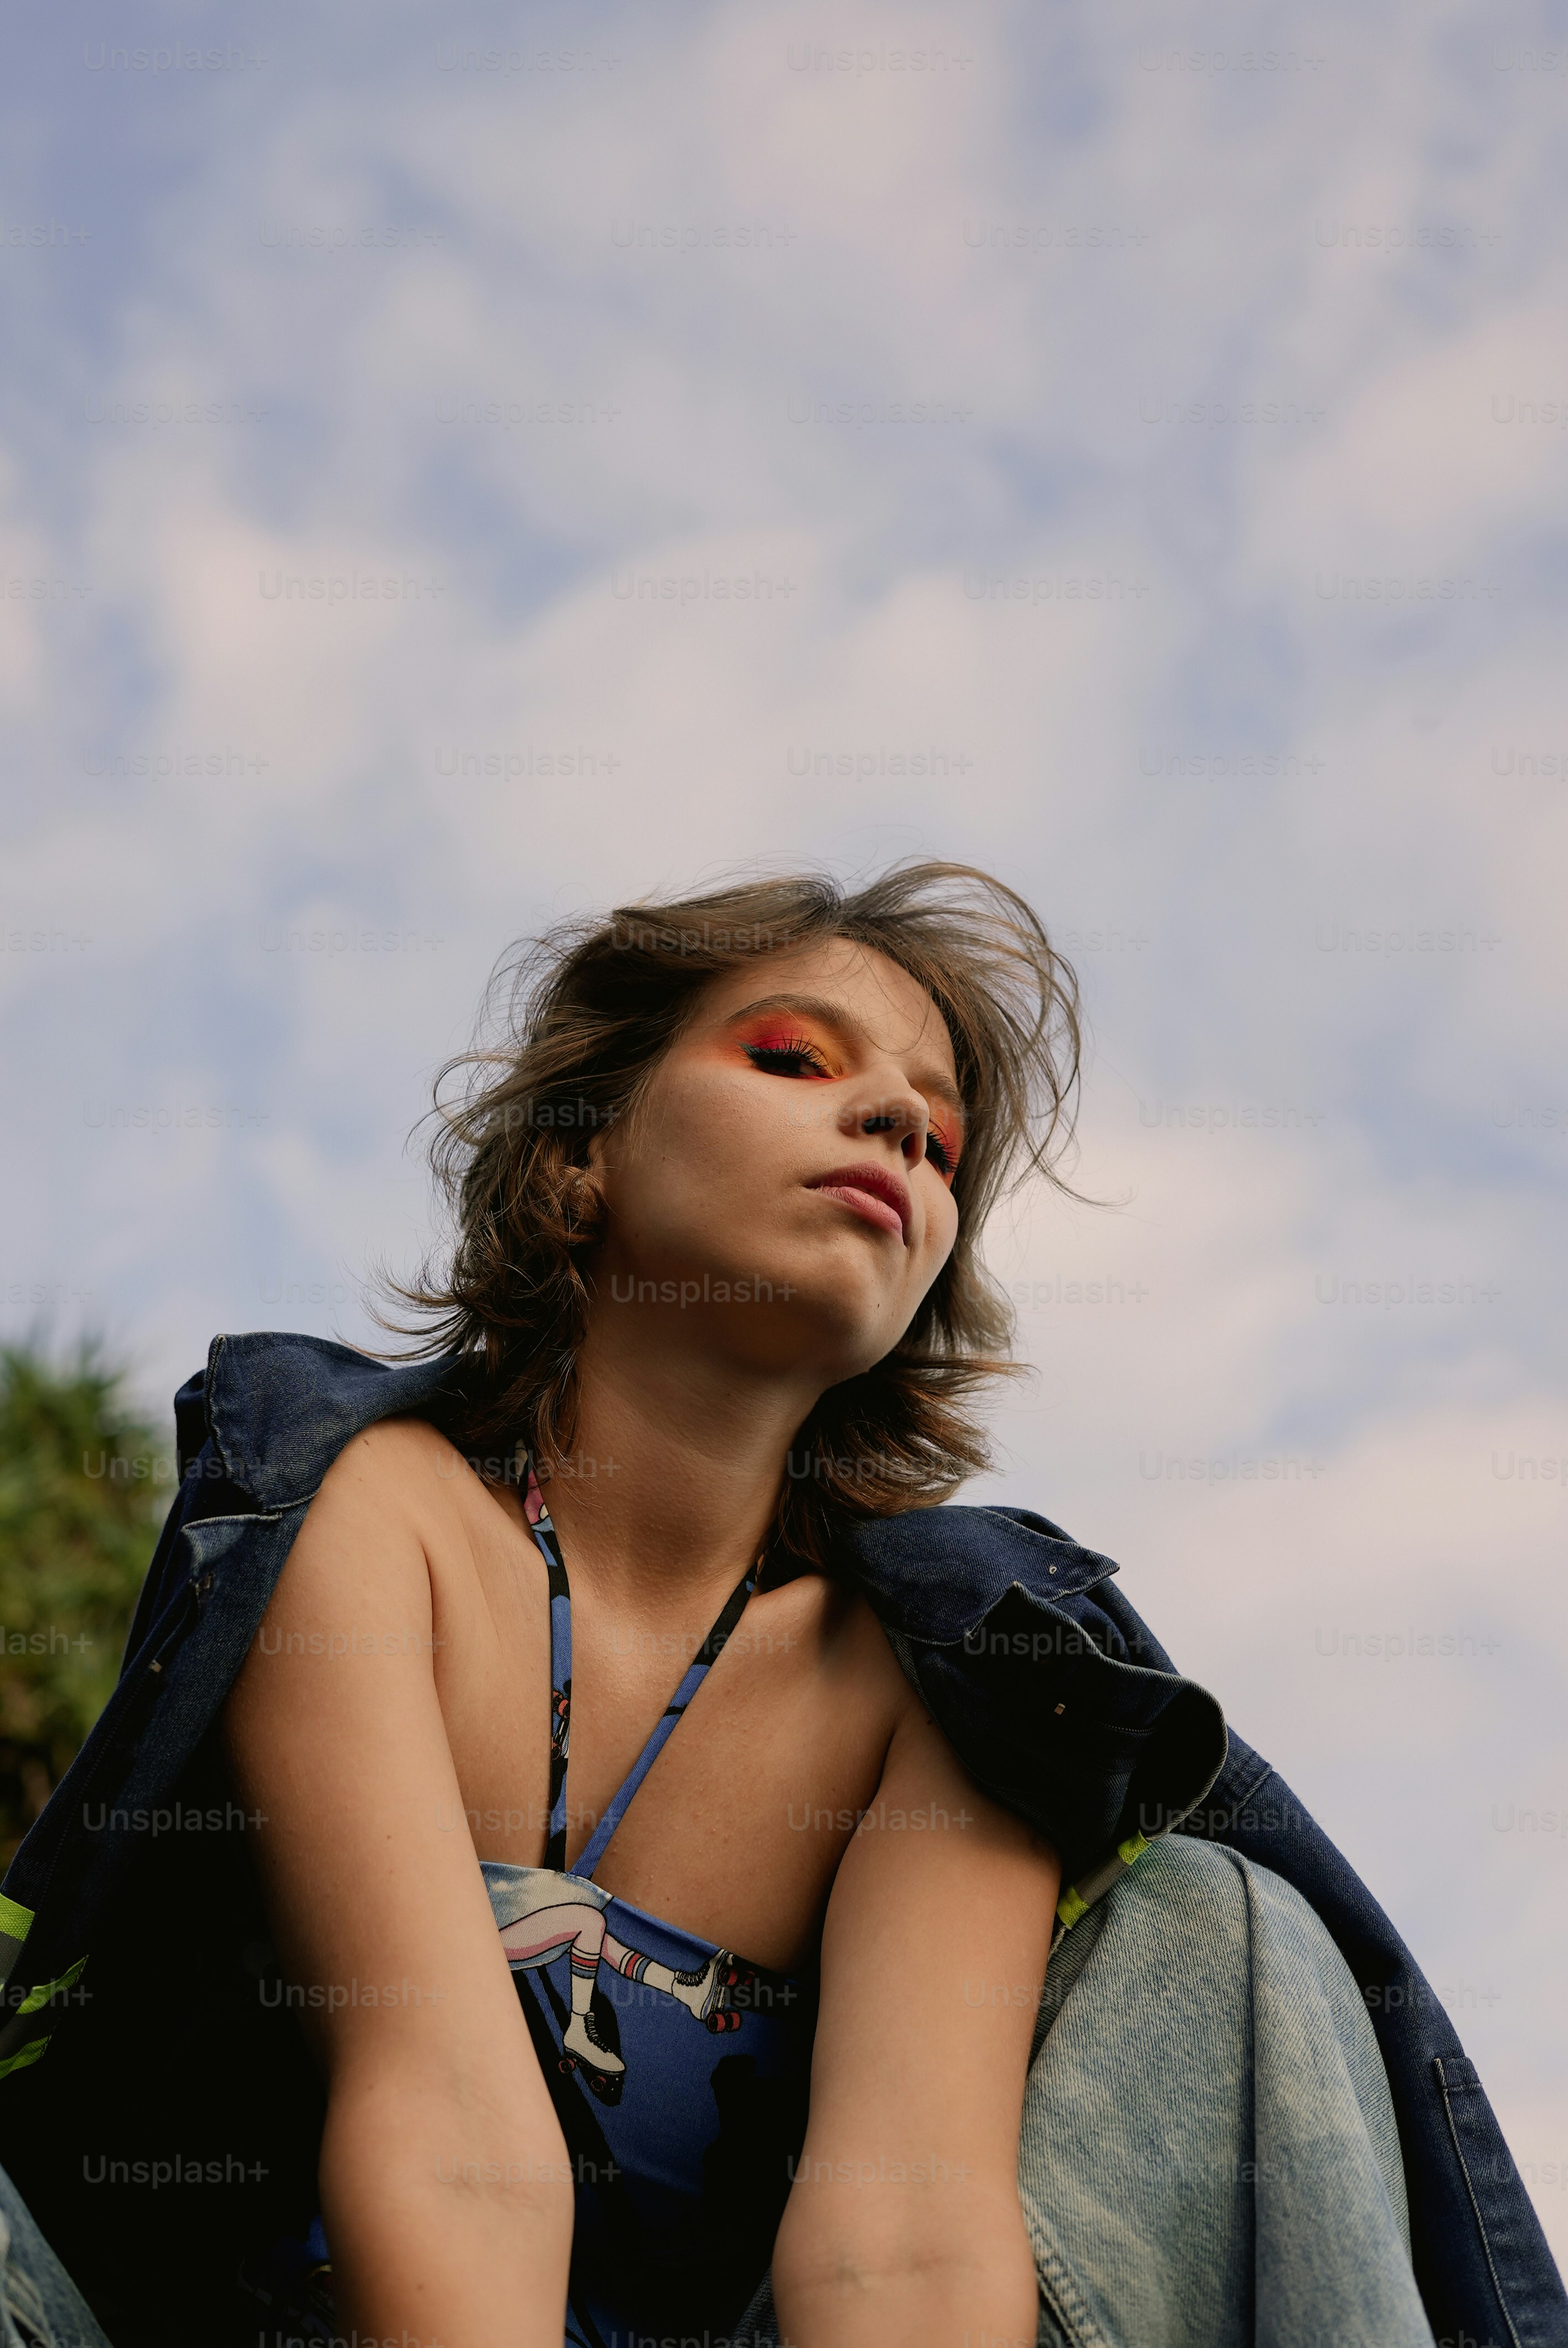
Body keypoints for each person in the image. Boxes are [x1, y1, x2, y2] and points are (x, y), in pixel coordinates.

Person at [0, 865, 1557, 2348]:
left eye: (940, 1147)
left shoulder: (945, 1671)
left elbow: (904, 2238)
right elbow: (449, 2126)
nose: (892, 1121)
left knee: (1231, 1927)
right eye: (793, 1056)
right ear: (584, 1149)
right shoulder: (368, 1505)